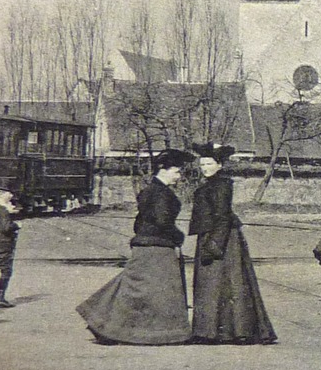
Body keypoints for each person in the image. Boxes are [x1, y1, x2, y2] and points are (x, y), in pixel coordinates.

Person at [77, 150, 193, 344]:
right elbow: (163, 221)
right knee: (161, 291)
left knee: (134, 286)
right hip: (158, 247)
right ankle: (159, 333)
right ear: (163, 170)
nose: (179, 176)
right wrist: (178, 237)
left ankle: (106, 325)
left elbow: (138, 223)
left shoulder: (148, 191)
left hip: (145, 244)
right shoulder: (161, 193)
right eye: (176, 172)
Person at [187, 143, 276, 345]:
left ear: (219, 165)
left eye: (209, 163)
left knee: (227, 283)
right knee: (215, 284)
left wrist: (214, 244)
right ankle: (213, 331)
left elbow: (222, 217)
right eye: (202, 164)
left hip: (223, 238)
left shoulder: (222, 185)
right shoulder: (210, 185)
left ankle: (231, 331)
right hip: (213, 235)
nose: (204, 167)